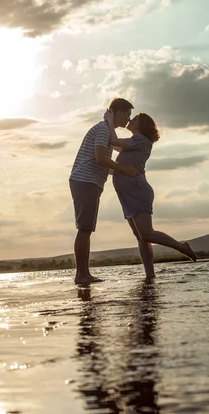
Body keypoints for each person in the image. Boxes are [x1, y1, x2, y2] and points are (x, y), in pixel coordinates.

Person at [104, 110, 196, 279]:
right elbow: (113, 146)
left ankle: (182, 247)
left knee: (146, 233)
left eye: (136, 118)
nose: (131, 119)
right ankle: (150, 275)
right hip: (127, 193)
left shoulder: (140, 140)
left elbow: (113, 141)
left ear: (142, 125)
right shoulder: (133, 144)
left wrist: (110, 121)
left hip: (137, 191)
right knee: (141, 236)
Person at [70, 98, 140, 285]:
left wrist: (121, 172)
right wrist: (124, 169)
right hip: (86, 181)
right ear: (118, 113)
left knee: (86, 228)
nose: (128, 119)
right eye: (127, 114)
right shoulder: (102, 129)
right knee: (84, 228)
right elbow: (101, 158)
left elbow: (101, 163)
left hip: (89, 181)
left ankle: (84, 273)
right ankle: (81, 275)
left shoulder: (107, 130)